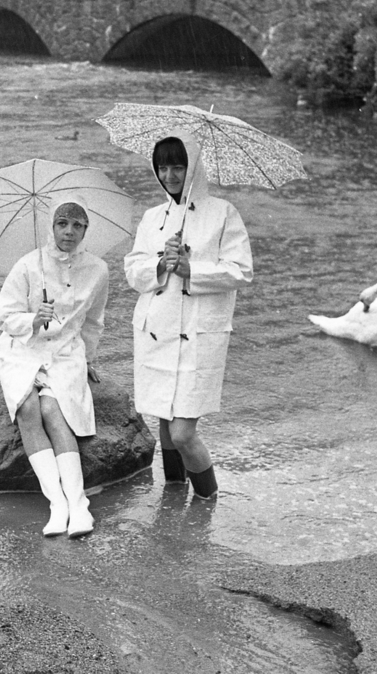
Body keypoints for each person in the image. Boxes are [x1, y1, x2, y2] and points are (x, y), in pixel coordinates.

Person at [123, 132, 253, 499]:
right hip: (156, 330)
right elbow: (132, 271)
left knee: (182, 432)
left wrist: (191, 269)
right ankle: (173, 496)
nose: (169, 175)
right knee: (164, 421)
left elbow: (241, 271)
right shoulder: (153, 217)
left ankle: (208, 501)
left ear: (193, 167)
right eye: (162, 168)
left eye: (178, 167)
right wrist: (159, 264)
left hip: (199, 334)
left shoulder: (223, 213)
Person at [0, 198, 109, 538]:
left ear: (86, 230)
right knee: (28, 407)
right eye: (62, 223)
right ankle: (57, 504)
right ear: (52, 226)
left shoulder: (98, 270)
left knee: (54, 409)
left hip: (65, 352)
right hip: (23, 349)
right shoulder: (28, 265)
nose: (69, 231)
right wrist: (34, 318)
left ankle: (78, 504)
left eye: (77, 225)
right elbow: (5, 318)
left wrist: (87, 360)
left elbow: (94, 322)